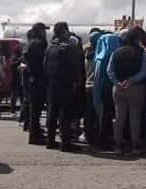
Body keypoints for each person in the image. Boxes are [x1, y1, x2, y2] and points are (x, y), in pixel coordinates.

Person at [108, 26, 146, 155]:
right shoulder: (141, 52)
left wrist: (118, 83)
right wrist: (132, 80)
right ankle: (135, 146)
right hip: (135, 88)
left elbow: (110, 71)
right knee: (134, 117)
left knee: (119, 117)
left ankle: (117, 145)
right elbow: (145, 71)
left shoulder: (116, 52)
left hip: (118, 88)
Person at [42, 22, 83, 152]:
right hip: (65, 83)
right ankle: (65, 143)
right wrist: (77, 80)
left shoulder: (50, 46)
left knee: (52, 112)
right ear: (65, 31)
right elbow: (75, 66)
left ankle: (50, 141)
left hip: (52, 83)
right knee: (65, 113)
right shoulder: (69, 47)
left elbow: (44, 65)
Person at [92, 31, 121, 151]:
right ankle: (105, 141)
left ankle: (100, 140)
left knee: (102, 116)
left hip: (100, 89)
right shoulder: (111, 56)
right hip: (109, 89)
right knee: (108, 116)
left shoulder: (99, 56)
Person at [23, 22, 49, 144]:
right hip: (38, 78)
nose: (45, 32)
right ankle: (34, 135)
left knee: (34, 109)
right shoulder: (39, 44)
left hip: (31, 78)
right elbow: (43, 62)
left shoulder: (29, 44)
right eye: (43, 30)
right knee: (36, 110)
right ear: (39, 31)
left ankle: (35, 132)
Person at [82, 30, 102, 146]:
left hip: (87, 85)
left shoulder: (85, 54)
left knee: (88, 115)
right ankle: (97, 138)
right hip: (96, 87)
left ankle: (88, 136)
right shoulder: (99, 55)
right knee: (98, 114)